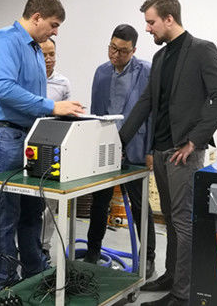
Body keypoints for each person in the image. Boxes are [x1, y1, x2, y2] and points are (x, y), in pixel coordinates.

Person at [119, 0, 217, 306]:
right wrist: (119, 140)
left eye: (151, 22)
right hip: (160, 152)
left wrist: (194, 140)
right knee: (170, 220)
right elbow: (146, 102)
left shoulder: (202, 50)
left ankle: (182, 295)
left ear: (169, 19)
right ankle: (171, 276)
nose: (147, 28)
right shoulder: (160, 57)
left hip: (184, 152)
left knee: (183, 224)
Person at [0, 0, 84, 290]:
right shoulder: (4, 41)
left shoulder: (34, 47)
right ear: (36, 17)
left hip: (26, 134)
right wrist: (52, 106)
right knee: (5, 210)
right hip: (1, 133)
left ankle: (34, 269)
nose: (55, 32)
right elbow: (4, 88)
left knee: (33, 206)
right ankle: (4, 281)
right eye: (53, 24)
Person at [83, 24, 156, 279]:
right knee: (99, 202)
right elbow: (95, 113)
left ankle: (148, 257)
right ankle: (93, 251)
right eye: (112, 48)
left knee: (139, 205)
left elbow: (153, 114)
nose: (115, 55)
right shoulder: (101, 73)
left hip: (136, 150)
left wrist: (151, 150)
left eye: (123, 51)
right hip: (106, 151)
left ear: (133, 50)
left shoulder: (146, 71)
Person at [38, 37, 71, 261]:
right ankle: (24, 246)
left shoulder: (63, 83)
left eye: (52, 54)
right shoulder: (27, 81)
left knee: (49, 203)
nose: (49, 59)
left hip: (51, 146)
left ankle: (44, 246)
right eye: (44, 55)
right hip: (28, 144)